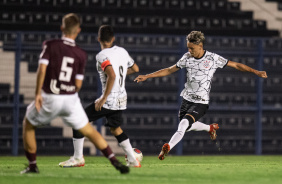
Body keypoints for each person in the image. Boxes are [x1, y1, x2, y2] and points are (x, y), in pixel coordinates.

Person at [20, 13, 129, 174]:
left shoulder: (50, 45)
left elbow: (42, 69)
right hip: (70, 98)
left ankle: (33, 166)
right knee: (89, 130)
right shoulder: (81, 53)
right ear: (78, 31)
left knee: (28, 125)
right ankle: (114, 160)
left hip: (51, 95)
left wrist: (38, 94)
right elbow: (77, 84)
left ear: (62, 28)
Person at [134, 31, 268, 160]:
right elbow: (169, 69)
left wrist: (256, 72)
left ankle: (168, 146)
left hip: (201, 102)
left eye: (192, 48)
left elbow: (236, 65)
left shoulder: (213, 58)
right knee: (186, 126)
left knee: (184, 123)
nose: (190, 51)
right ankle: (210, 128)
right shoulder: (186, 57)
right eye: (188, 48)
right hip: (186, 99)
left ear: (200, 46)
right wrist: (147, 76)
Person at [59, 25, 141, 168]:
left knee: (79, 121)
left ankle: (78, 158)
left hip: (109, 99)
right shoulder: (122, 51)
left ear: (99, 39)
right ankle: (133, 160)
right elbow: (135, 69)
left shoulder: (102, 55)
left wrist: (103, 98)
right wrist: (119, 75)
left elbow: (112, 75)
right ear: (113, 39)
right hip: (122, 99)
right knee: (116, 129)